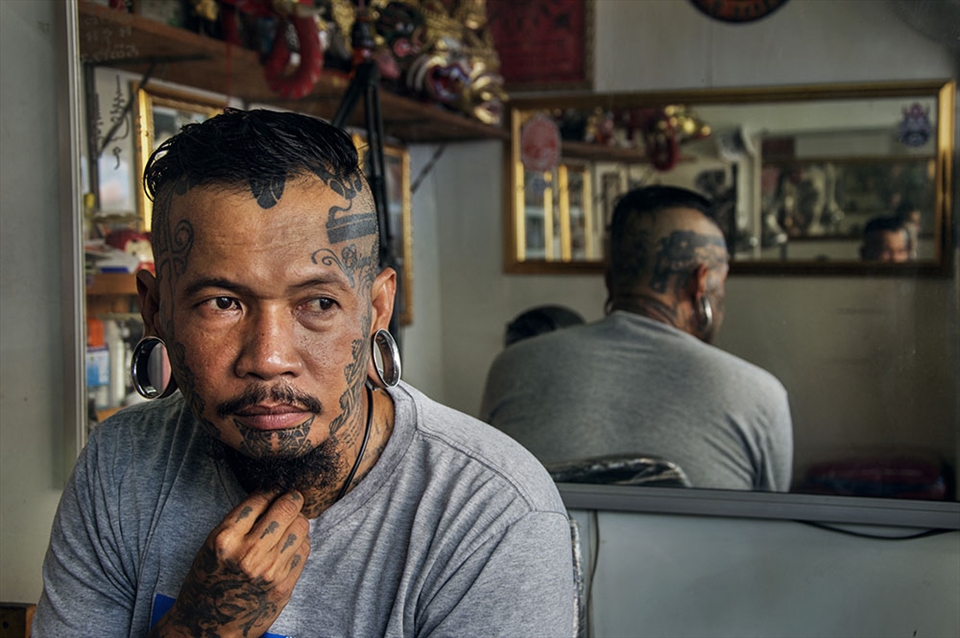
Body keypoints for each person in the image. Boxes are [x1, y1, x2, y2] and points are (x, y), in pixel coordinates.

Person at [34, 109, 576, 637]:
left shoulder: (489, 512)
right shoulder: (122, 465)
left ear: (376, 308)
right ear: (156, 311)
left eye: (317, 303)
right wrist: (204, 628)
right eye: (221, 303)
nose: (269, 359)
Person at [480, 185, 793, 492]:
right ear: (701, 282)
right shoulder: (759, 394)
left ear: (609, 280)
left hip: (552, 545)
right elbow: (768, 531)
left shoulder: (512, 365)